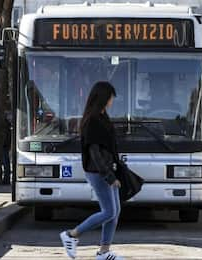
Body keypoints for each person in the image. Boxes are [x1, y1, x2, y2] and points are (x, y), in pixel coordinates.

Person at [60, 81, 123, 260]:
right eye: (111, 97)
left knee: (114, 212)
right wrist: (109, 177)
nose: (112, 100)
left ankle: (104, 252)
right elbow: (95, 153)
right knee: (109, 211)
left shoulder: (102, 117)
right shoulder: (93, 121)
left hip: (107, 169)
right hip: (98, 172)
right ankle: (71, 235)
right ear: (103, 97)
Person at [2, 118, 12, 184]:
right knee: (6, 163)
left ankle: (6, 179)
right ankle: (6, 178)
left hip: (4, 147)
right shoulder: (8, 130)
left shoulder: (6, 131)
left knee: (6, 163)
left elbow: (5, 140)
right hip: (6, 147)